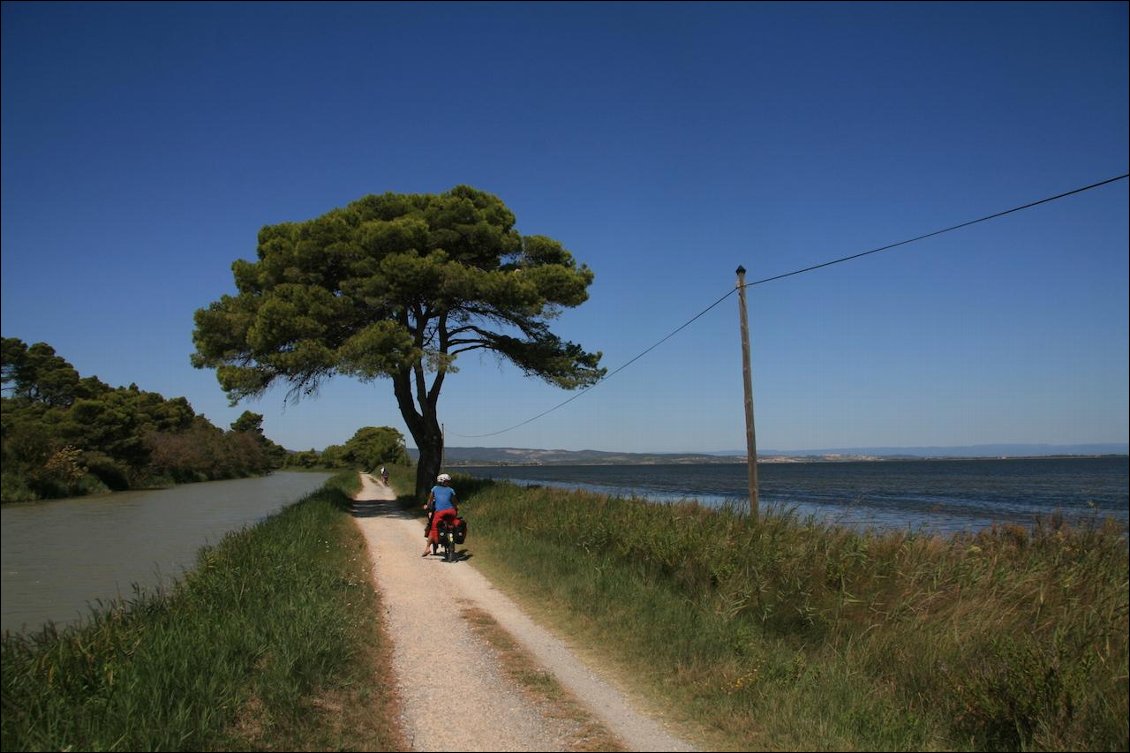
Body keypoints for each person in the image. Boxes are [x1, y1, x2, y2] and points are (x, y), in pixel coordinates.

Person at [422, 473, 458, 557]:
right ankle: (451, 541)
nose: (449, 483)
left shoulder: (434, 489)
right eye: (447, 481)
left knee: (433, 528)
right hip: (451, 511)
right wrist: (455, 508)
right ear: (444, 482)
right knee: (451, 525)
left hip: (440, 513)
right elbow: (455, 502)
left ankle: (427, 548)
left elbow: (430, 500)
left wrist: (427, 506)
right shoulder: (451, 490)